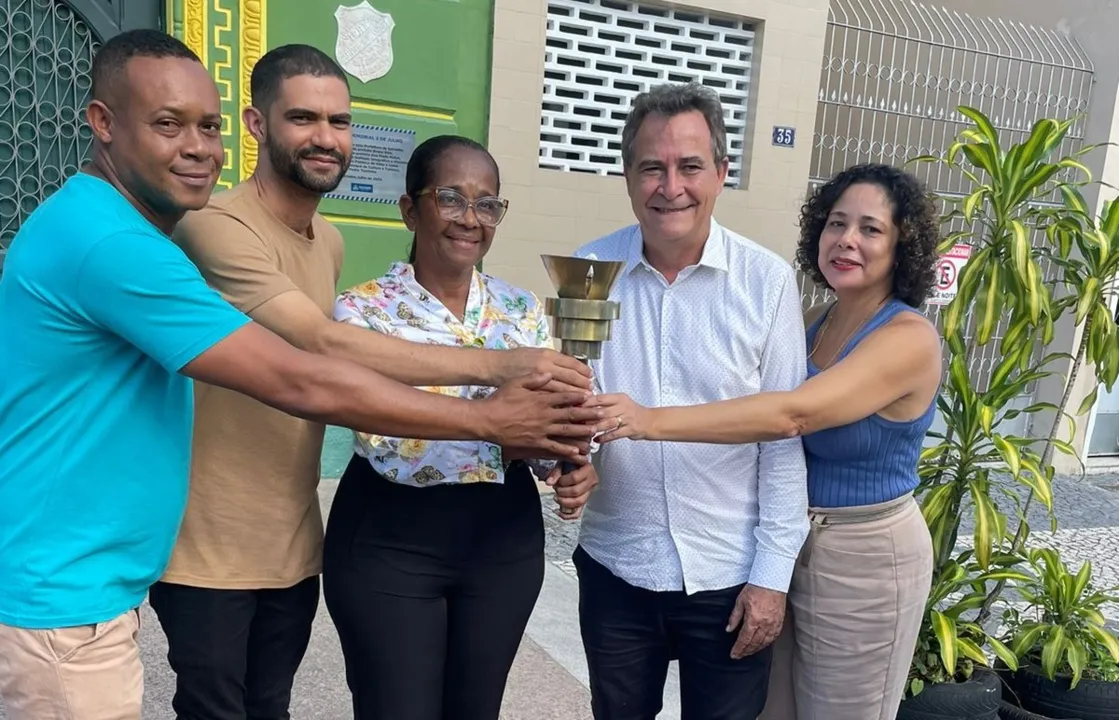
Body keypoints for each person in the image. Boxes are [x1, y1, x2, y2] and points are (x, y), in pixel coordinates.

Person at [0, 31, 599, 720]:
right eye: (168, 125)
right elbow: (309, 367)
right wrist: (491, 407)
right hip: (102, 581)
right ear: (103, 123)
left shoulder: (317, 241)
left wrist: (556, 445)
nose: (197, 148)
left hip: (256, 548)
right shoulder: (146, 239)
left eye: (206, 127)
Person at [589, 163, 942, 720]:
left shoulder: (908, 338)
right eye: (835, 223)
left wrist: (647, 420)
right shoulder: (816, 321)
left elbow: (790, 416)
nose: (846, 240)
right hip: (789, 541)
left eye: (870, 229)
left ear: (904, 246)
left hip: (864, 553)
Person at [320, 134, 598, 720]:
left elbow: (546, 427)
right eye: (451, 198)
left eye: (487, 203)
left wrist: (567, 462)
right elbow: (379, 422)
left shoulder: (522, 311)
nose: (470, 218)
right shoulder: (362, 311)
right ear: (409, 209)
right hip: (390, 535)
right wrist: (499, 424)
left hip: (501, 539)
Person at [568, 82, 810, 720]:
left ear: (722, 174)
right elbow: (574, 408)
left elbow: (784, 437)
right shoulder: (590, 273)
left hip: (730, 573)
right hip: (617, 563)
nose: (670, 185)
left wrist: (772, 577)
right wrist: (563, 458)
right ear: (627, 176)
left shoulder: (767, 282)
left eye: (689, 166)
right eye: (651, 167)